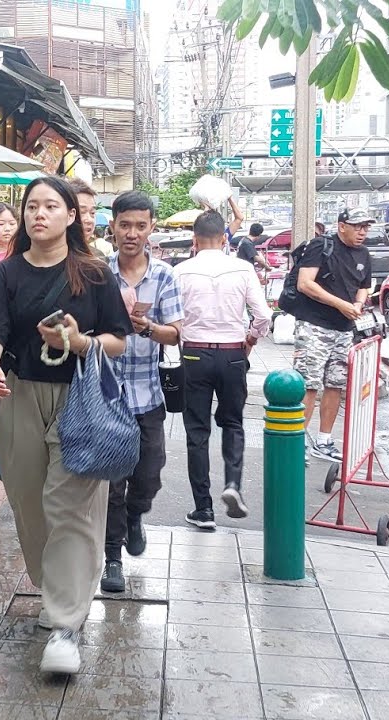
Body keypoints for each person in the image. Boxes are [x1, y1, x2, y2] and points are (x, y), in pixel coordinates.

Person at [0, 176, 133, 675]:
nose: (39, 214)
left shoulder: (93, 273)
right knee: (27, 503)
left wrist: (78, 342)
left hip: (78, 399)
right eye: (31, 206)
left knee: (68, 505)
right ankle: (59, 589)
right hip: (18, 394)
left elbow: (119, 340)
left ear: (70, 216)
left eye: (50, 206)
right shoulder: (6, 275)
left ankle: (66, 622)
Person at [99, 191, 183, 593]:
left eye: (140, 225)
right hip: (105, 395)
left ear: (151, 228)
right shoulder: (97, 272)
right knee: (111, 480)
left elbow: (176, 333)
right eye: (125, 225)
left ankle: (137, 516)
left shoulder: (164, 275)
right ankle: (111, 556)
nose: (131, 233)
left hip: (148, 395)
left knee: (148, 473)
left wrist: (144, 327)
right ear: (112, 226)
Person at [174, 210, 274, 529]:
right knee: (233, 423)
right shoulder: (242, 269)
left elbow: (172, 319)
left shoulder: (182, 271)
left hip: (194, 354)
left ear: (194, 240)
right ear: (224, 239)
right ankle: (232, 484)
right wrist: (250, 340)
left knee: (197, 431)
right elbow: (263, 317)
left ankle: (203, 509)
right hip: (232, 353)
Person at [292, 208, 375, 463]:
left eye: (365, 227)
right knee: (308, 383)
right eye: (357, 226)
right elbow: (305, 283)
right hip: (314, 326)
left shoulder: (364, 254)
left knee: (335, 384)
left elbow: (364, 286)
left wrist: (358, 305)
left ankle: (324, 440)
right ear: (342, 226)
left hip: (344, 328)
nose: (362, 231)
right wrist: (340, 304)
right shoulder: (321, 246)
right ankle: (298, 441)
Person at [68, 178, 112, 257]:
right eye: (81, 212)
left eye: (92, 213)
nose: (89, 220)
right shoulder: (44, 257)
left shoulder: (97, 259)